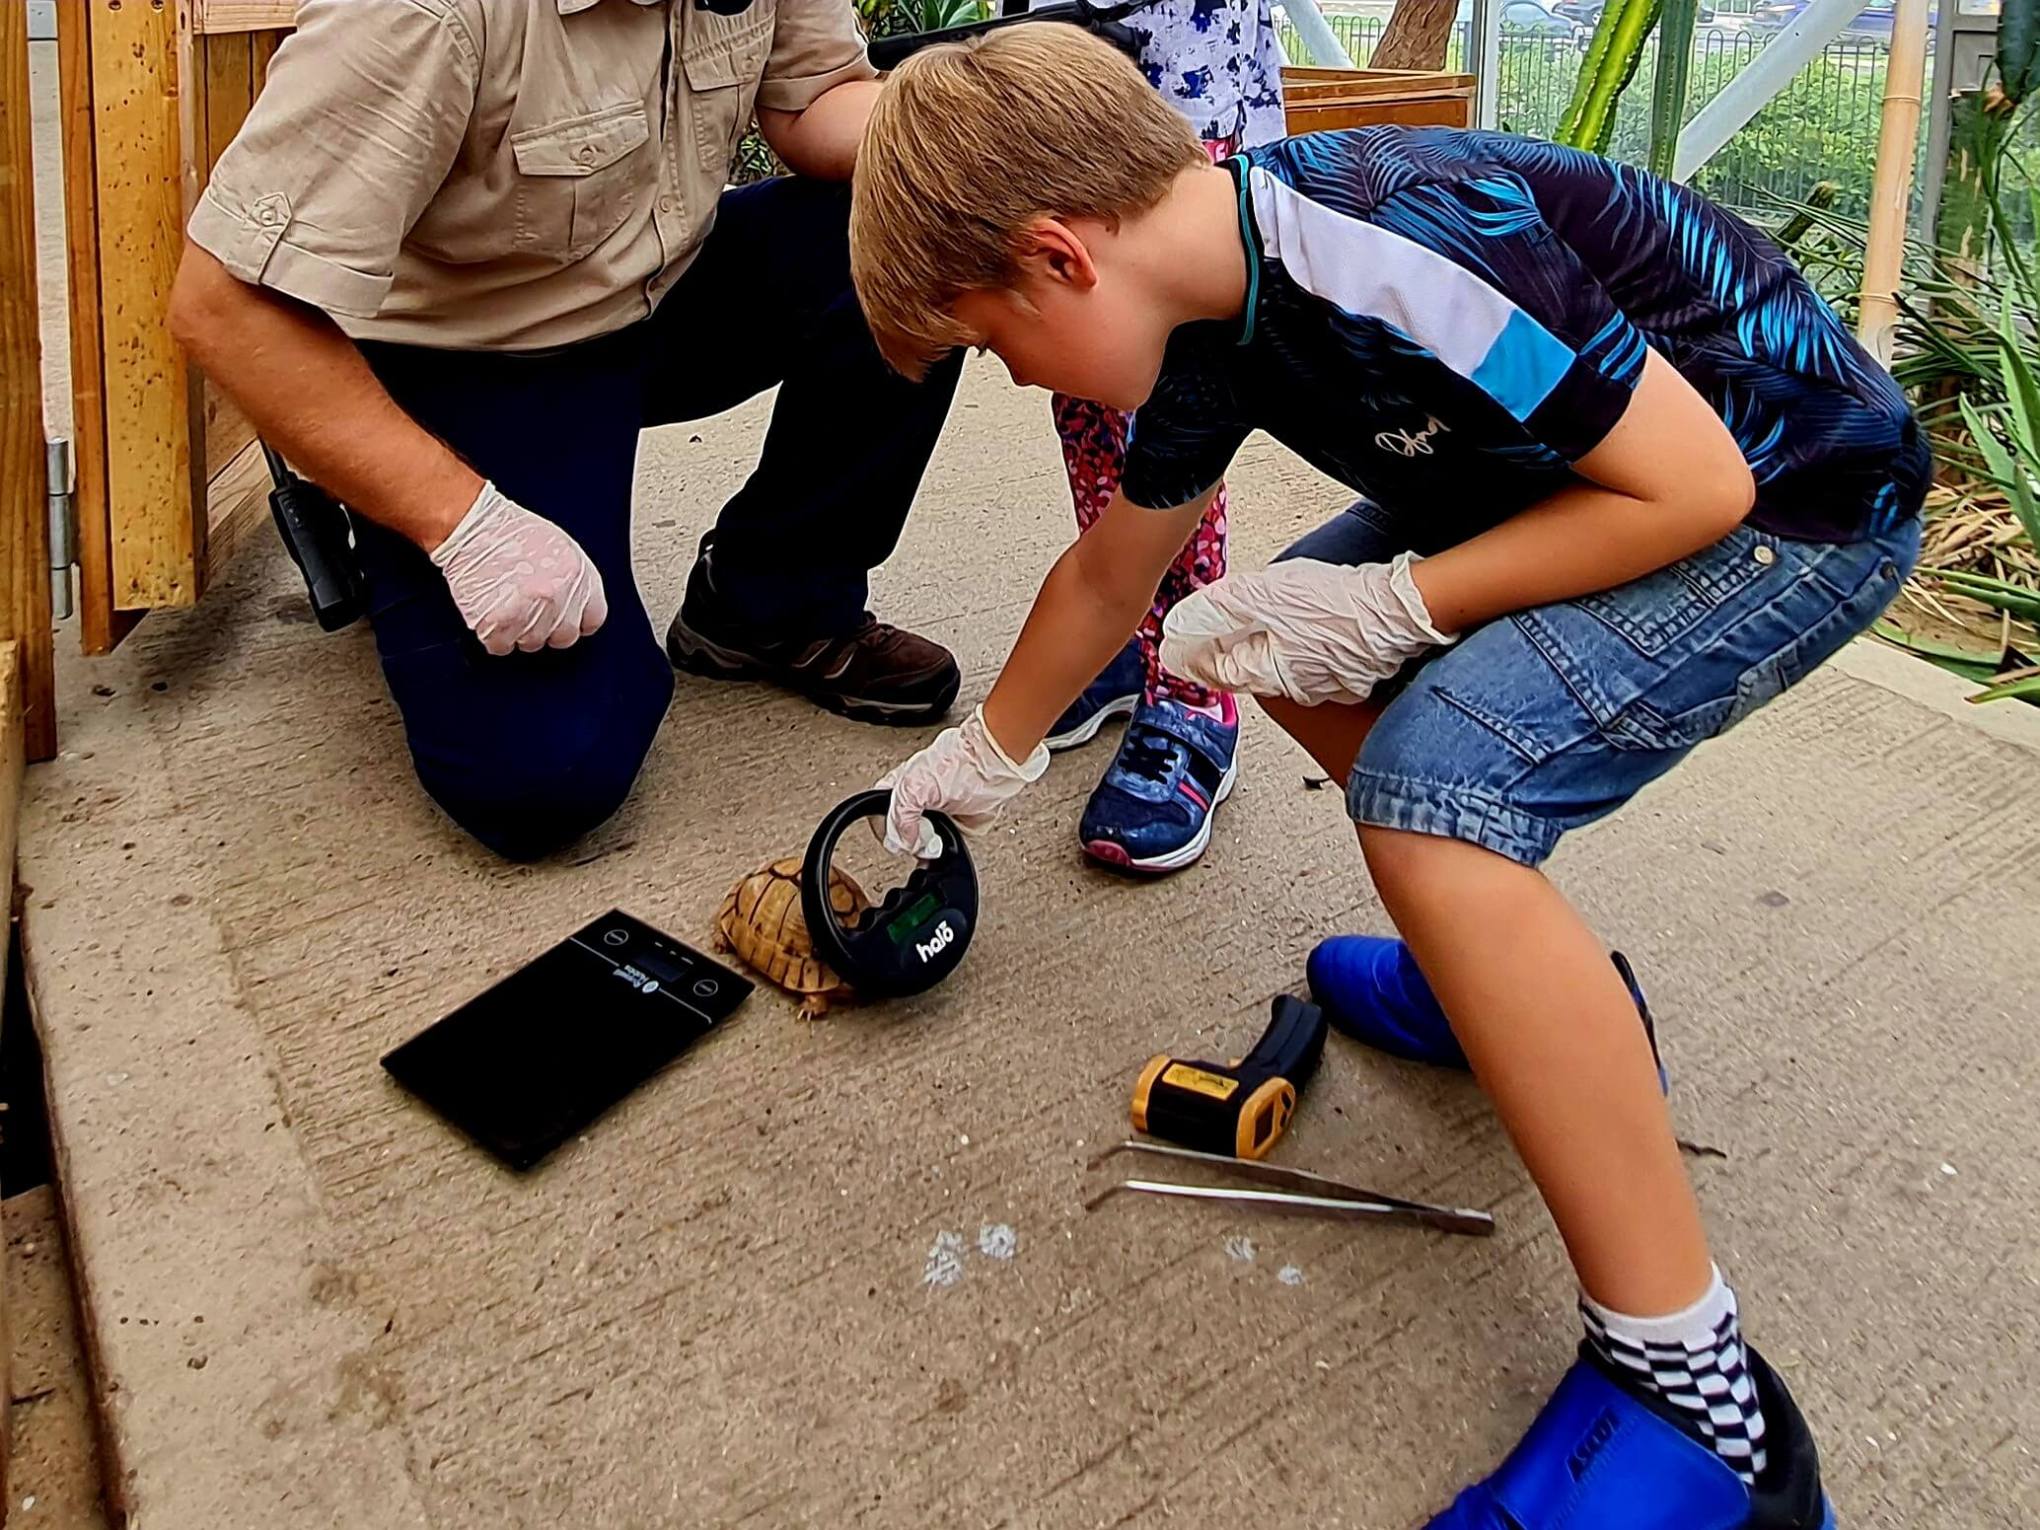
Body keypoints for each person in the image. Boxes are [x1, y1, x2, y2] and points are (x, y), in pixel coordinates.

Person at [850, 27, 1930, 1528]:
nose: (1007, 368)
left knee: (1436, 777)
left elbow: (1699, 488)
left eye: (986, 339)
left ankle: (1704, 1407)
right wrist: (988, 752)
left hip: (1793, 505)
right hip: (1584, 482)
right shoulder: (1207, 305)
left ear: (1056, 258)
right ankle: (1522, 987)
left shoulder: (1382, 238)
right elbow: (1115, 575)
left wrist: (1400, 605)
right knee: (1276, 642)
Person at [169, 0, 964, 863]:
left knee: (931, 243)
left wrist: (962, 121)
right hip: (482, 348)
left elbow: (814, 104)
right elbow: (224, 306)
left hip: (662, 283)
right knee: (544, 779)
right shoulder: (420, 14)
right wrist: (465, 524)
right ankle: (382, 490)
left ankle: (769, 605)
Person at [1035, 0, 1286, 874]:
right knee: (1085, 398)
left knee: (1172, 418)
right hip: (1059, 109)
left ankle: (1192, 685)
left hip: (1180, 123)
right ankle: (1125, 636)